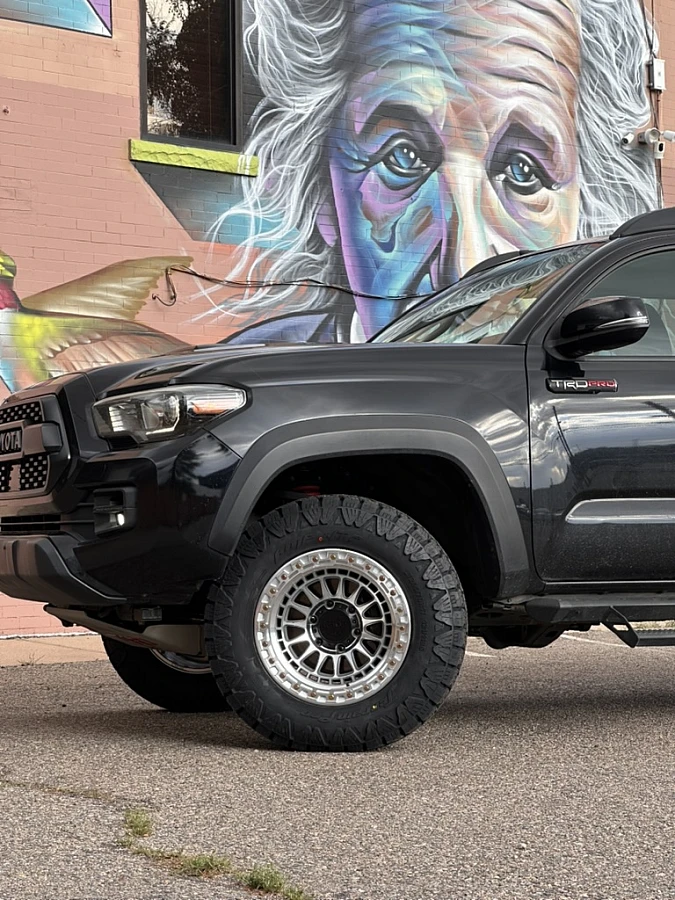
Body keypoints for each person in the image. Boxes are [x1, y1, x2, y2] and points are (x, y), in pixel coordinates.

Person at [209, 0, 659, 344]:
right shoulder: (256, 388)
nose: (465, 264)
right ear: (325, 195)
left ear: (582, 210)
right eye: (402, 158)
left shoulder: (631, 377)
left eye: (523, 170)